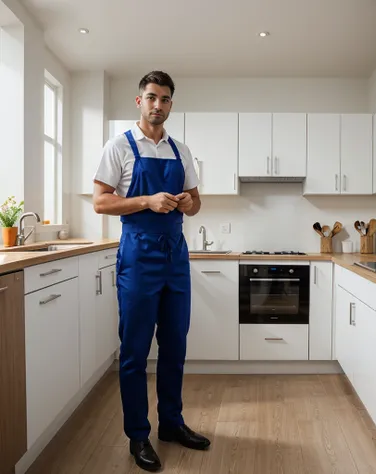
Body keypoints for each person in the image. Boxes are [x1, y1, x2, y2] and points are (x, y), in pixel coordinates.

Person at [93, 70, 210, 472]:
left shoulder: (181, 150)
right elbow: (101, 203)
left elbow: (196, 203)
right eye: (151, 96)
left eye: (165, 98)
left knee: (175, 345)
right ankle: (138, 435)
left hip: (175, 256)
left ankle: (172, 425)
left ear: (171, 105)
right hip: (138, 257)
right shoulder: (119, 146)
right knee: (135, 350)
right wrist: (147, 200)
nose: (157, 104)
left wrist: (184, 203)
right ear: (139, 101)